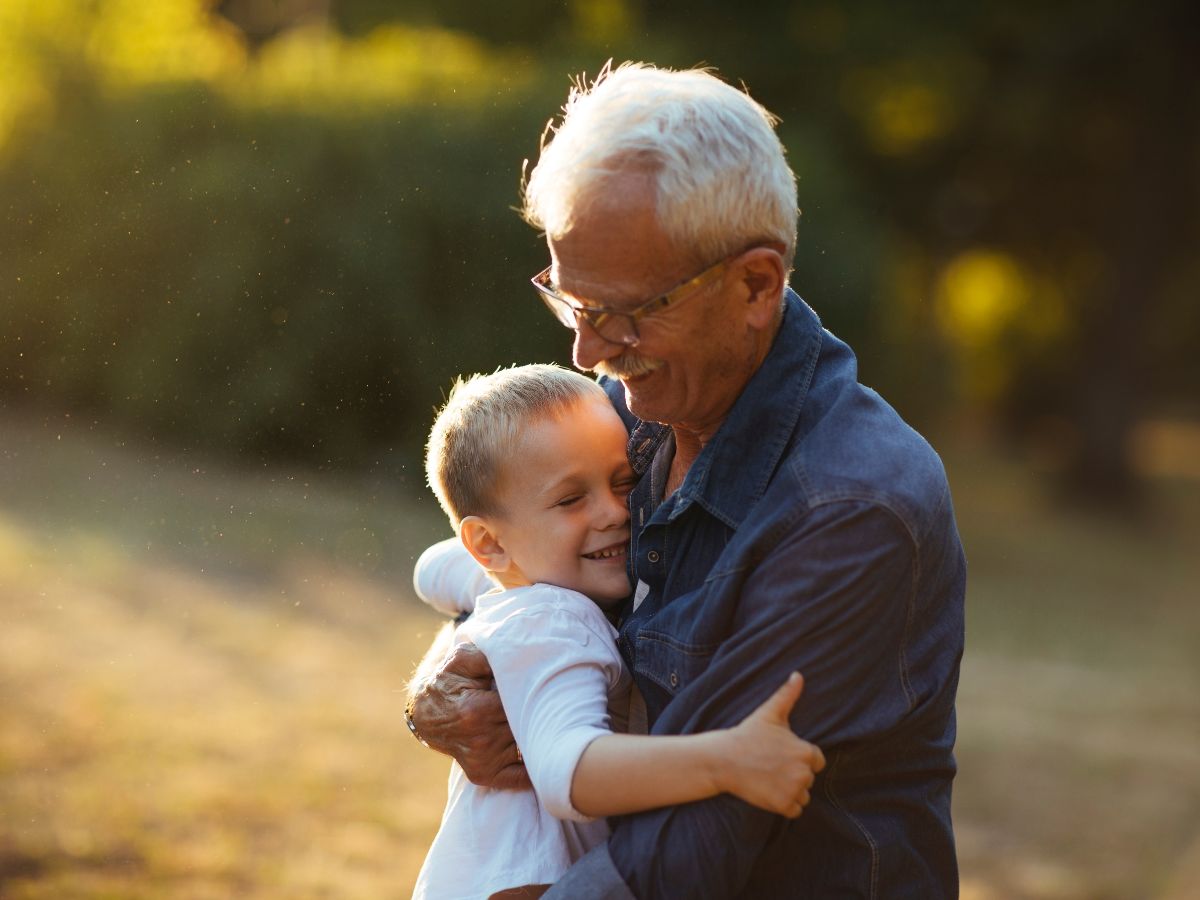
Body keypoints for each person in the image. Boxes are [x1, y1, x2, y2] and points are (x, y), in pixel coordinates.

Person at [407, 62, 967, 898]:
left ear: (755, 283)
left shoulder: (852, 507)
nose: (587, 354)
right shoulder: (624, 411)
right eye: (573, 303)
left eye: (626, 312)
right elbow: (503, 564)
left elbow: (689, 849)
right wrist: (438, 685)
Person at [412, 363, 826, 900]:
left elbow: (434, 569)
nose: (615, 512)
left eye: (623, 482)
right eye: (570, 499)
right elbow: (569, 771)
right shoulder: (556, 620)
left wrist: (492, 567)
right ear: (488, 542)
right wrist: (727, 760)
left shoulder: (514, 582)